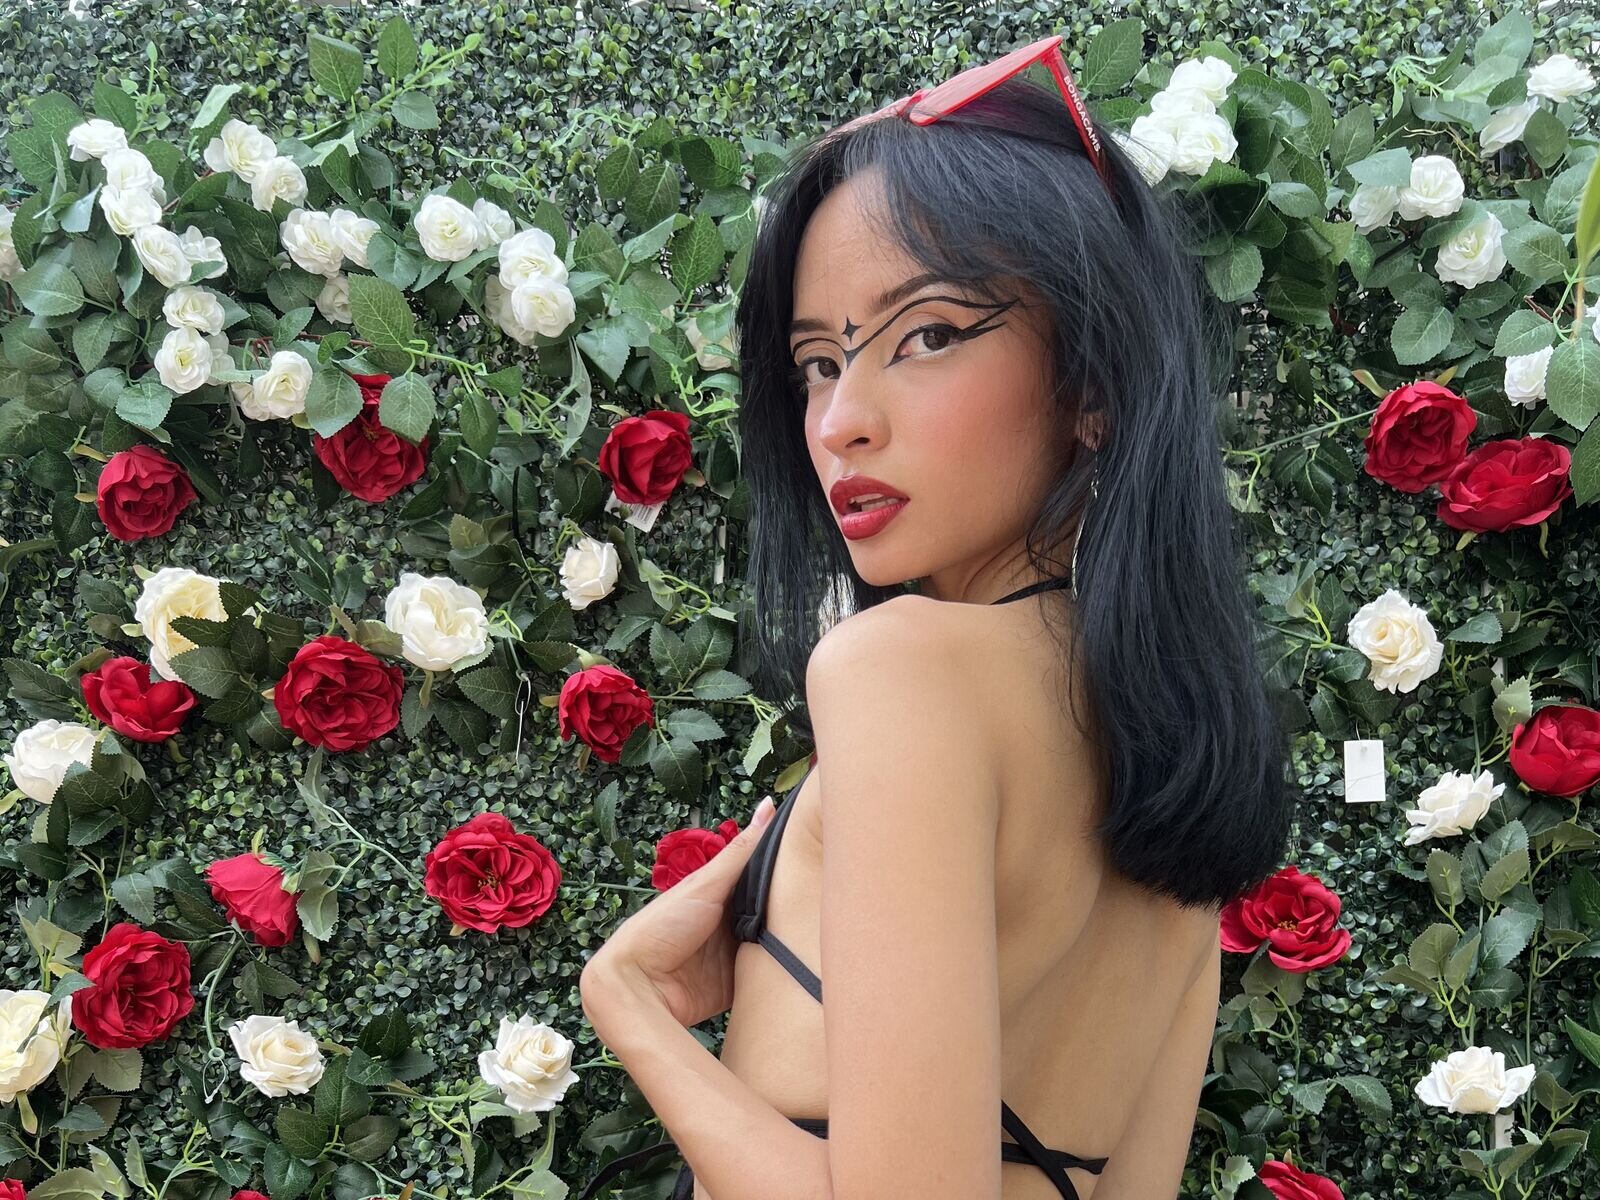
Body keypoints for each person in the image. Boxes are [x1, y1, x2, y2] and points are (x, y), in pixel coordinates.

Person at [578, 35, 1293, 1200]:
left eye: (928, 335)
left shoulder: (901, 670)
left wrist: (628, 1008)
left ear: (1094, 385)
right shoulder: (1176, 777)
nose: (839, 422)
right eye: (817, 363)